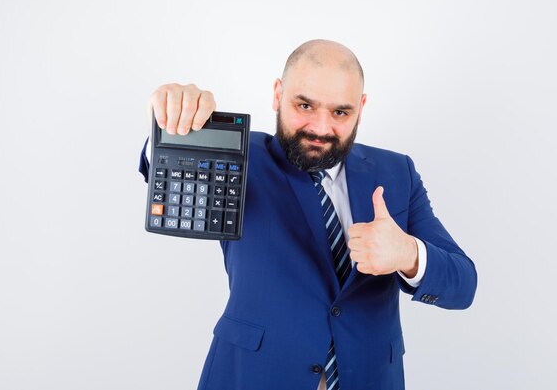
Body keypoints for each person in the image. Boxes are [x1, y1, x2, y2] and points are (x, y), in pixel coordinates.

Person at [138, 39, 477, 390]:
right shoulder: (240, 156)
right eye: (304, 105)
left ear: (360, 107)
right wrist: (173, 117)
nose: (320, 128)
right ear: (277, 95)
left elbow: (463, 284)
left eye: (340, 112)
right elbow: (172, 167)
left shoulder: (397, 172)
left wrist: (407, 254)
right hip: (252, 376)